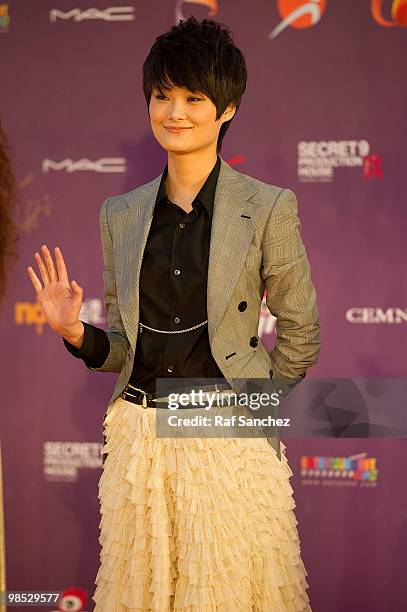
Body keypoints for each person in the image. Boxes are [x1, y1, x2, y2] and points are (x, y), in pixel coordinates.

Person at [27, 16, 319, 611]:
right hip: (141, 444)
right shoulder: (121, 214)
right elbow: (124, 350)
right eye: (162, 96)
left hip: (226, 440)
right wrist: (73, 331)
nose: (174, 112)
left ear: (227, 107)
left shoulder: (266, 208)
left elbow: (301, 333)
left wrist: (251, 410)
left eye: (193, 97)